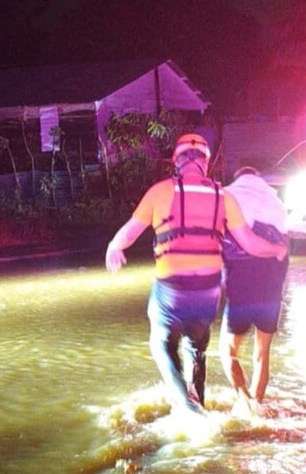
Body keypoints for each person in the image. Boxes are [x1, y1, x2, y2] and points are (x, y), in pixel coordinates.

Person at [105, 134, 287, 417]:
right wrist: (276, 249)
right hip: (207, 295)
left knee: (161, 345)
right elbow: (250, 243)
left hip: (172, 290)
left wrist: (114, 247)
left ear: (176, 161)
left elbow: (129, 231)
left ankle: (188, 408)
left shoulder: (160, 191)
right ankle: (197, 399)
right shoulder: (223, 196)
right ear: (205, 162)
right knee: (196, 349)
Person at [218, 166, 289, 418]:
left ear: (237, 178)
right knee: (262, 354)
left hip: (242, 288)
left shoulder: (228, 197)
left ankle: (243, 397)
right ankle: (256, 409)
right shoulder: (275, 204)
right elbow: (284, 255)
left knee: (227, 351)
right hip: (271, 291)